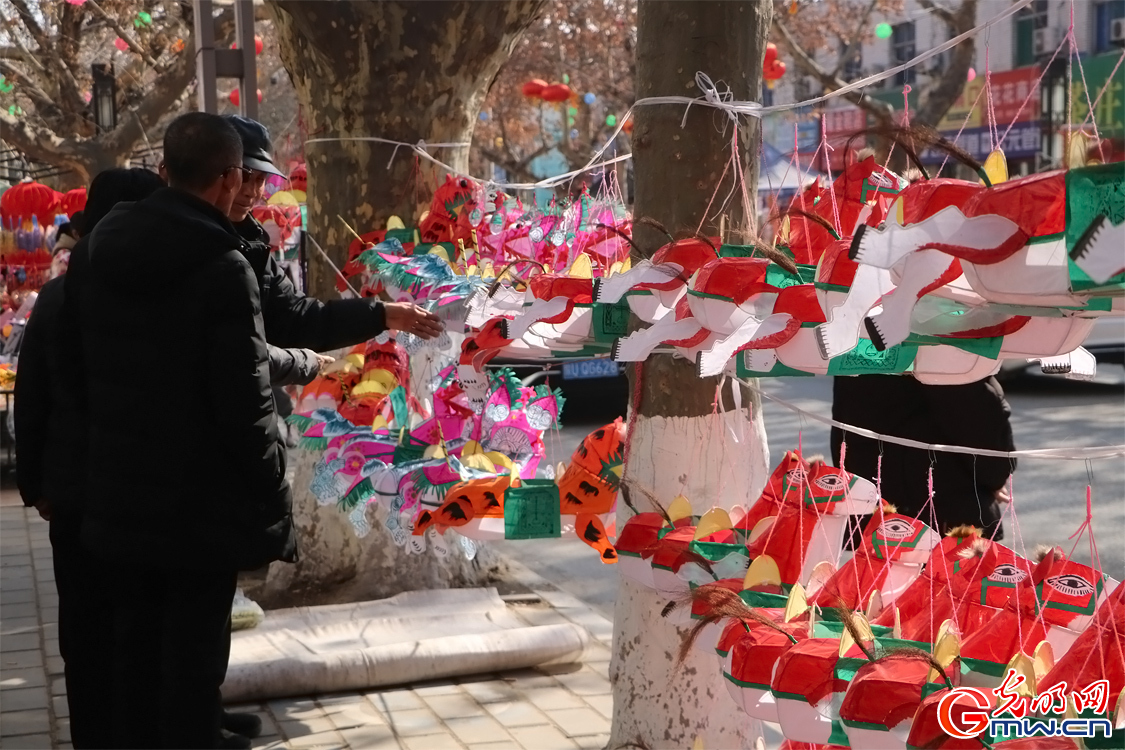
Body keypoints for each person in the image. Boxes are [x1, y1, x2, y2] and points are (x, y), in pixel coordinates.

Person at [68, 112, 291, 749]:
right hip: (198, 507)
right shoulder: (224, 268)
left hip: (119, 495)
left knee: (136, 660)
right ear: (226, 178)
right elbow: (244, 404)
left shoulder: (99, 254)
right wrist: (271, 495)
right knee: (192, 669)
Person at [16, 167, 166, 750]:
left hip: (77, 498)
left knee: (87, 632)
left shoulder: (59, 295)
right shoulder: (148, 294)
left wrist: (39, 488)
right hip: (128, 497)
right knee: (132, 632)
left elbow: (30, 405)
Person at [220, 115, 443, 347]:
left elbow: (295, 317)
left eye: (260, 179)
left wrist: (381, 315)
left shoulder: (254, 245)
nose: (251, 191)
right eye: (243, 176)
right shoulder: (191, 244)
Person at [831, 374, 1016, 538]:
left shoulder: (858, 346)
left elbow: (846, 433)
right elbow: (985, 442)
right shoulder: (947, 348)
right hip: (947, 520)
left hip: (876, 516)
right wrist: (994, 476)